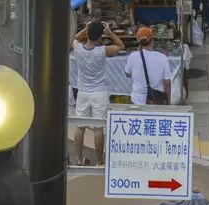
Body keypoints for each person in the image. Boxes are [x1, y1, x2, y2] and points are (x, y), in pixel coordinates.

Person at [68, 20, 124, 165]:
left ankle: (79, 159)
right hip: (99, 92)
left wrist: (85, 29)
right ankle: (100, 161)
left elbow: (73, 39)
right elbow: (120, 46)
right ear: (100, 36)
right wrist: (110, 33)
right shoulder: (102, 51)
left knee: (80, 127)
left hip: (83, 92)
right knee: (98, 128)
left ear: (87, 33)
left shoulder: (78, 48)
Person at [127, 26, 175, 106]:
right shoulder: (162, 57)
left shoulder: (132, 56)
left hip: (137, 100)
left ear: (139, 42)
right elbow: (167, 83)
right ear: (152, 40)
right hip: (156, 101)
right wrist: (169, 101)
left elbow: (127, 74)